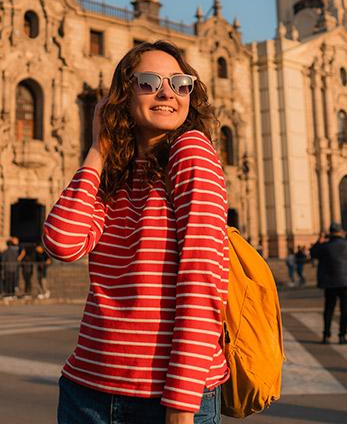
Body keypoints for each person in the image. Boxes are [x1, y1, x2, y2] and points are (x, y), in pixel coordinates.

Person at [43, 41, 227, 424]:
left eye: (180, 83)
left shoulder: (191, 150)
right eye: (148, 82)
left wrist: (181, 404)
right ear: (124, 97)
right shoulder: (115, 172)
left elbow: (203, 277)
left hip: (161, 398)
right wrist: (98, 149)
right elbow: (62, 242)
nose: (167, 93)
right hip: (87, 390)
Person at [310, 222, 347, 345]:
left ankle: (326, 335)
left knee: (329, 309)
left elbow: (313, 253)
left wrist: (319, 240)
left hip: (330, 282)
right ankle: (342, 336)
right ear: (340, 231)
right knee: (345, 310)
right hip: (346, 281)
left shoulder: (324, 246)